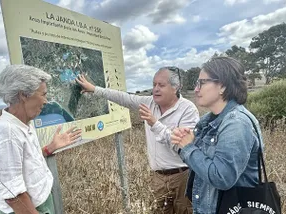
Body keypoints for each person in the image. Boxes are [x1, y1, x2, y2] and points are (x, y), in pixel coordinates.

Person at [76, 67, 199, 214]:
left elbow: (182, 145)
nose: (155, 89)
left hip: (183, 177)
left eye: (161, 85)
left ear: (176, 87)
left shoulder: (188, 109)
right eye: (154, 85)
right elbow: (123, 97)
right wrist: (94, 89)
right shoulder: (149, 103)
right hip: (158, 178)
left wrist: (155, 123)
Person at [171, 57, 264, 214]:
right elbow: (201, 163)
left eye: (202, 82)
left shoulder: (237, 124)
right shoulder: (208, 121)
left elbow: (222, 178)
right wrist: (187, 142)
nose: (196, 89)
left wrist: (188, 147)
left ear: (222, 86)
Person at [0, 64, 81, 214]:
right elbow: (13, 196)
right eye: (43, 94)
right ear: (23, 94)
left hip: (38, 204)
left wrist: (50, 148)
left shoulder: (24, 124)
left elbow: (26, 160)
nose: (46, 101)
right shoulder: (7, 132)